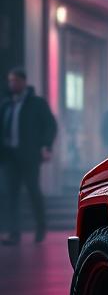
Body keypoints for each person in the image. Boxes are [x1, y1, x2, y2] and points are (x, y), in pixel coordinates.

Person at [0, 66, 58, 245]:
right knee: (11, 194)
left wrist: (46, 146)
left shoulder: (37, 103)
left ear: (23, 82)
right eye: (10, 80)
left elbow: (50, 125)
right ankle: (14, 232)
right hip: (9, 156)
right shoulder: (6, 105)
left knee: (33, 191)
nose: (12, 84)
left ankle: (41, 226)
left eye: (15, 80)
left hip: (29, 155)